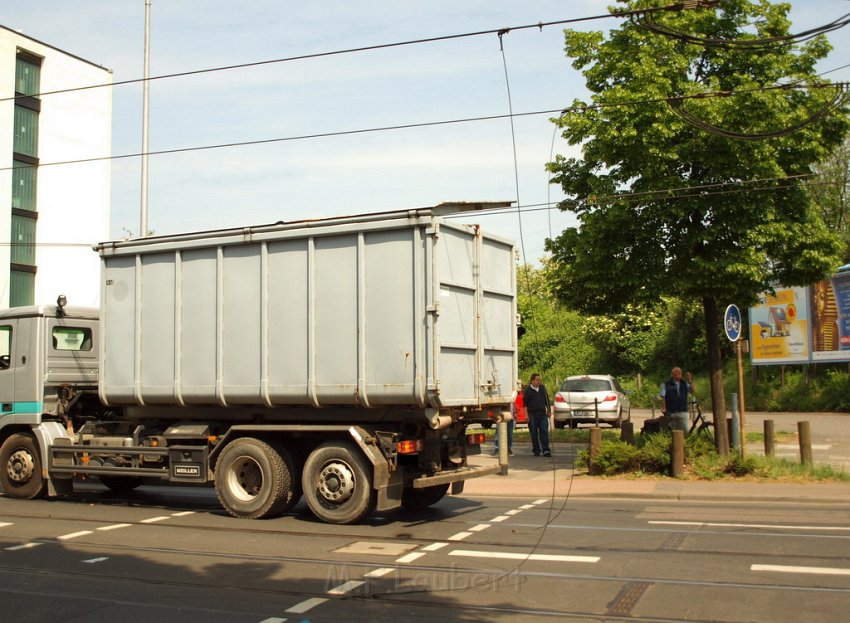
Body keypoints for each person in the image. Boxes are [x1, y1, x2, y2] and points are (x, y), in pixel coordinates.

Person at [523, 373, 551, 457]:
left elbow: (547, 400)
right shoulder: (528, 390)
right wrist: (526, 415)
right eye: (537, 380)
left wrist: (549, 410)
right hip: (532, 414)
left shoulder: (542, 388)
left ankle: (546, 450)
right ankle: (536, 450)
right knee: (534, 433)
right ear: (532, 381)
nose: (539, 381)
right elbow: (525, 404)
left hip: (542, 413)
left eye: (540, 380)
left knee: (544, 432)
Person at [660, 367, 695, 433]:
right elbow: (662, 397)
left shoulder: (684, 383)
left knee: (685, 431)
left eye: (679, 373)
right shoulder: (665, 384)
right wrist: (663, 407)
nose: (678, 375)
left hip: (682, 411)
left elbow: (693, 391)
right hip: (671, 412)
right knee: (671, 431)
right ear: (672, 375)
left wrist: (690, 381)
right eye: (675, 374)